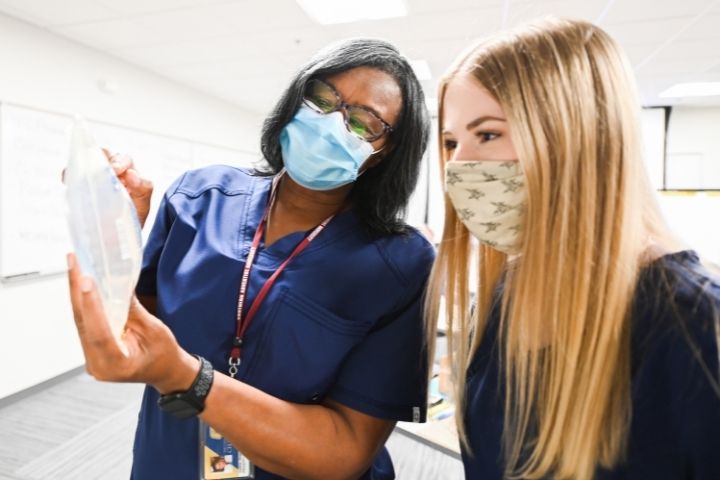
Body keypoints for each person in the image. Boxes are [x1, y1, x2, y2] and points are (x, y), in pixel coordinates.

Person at [67, 38, 435, 480]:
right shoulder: (198, 197)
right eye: (322, 99)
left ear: (385, 153)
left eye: (363, 122)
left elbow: (345, 449)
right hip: (169, 460)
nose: (331, 124)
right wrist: (115, 230)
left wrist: (189, 378)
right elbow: (133, 327)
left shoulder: (400, 264)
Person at [425, 17, 720, 480]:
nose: (457, 166)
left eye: (487, 134)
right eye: (450, 142)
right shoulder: (506, 296)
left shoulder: (694, 326)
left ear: (576, 137)